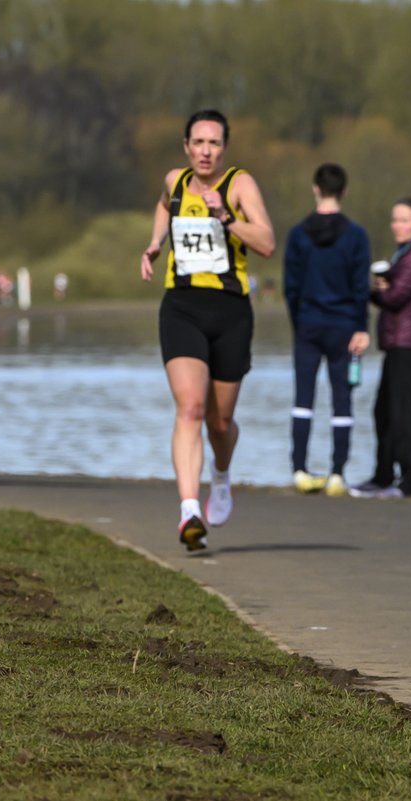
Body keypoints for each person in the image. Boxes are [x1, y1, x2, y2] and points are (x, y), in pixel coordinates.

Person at [140, 109, 275, 552]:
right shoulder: (174, 182)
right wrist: (156, 243)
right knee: (190, 409)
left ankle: (220, 476)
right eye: (198, 142)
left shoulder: (239, 185)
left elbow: (267, 244)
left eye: (214, 143)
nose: (205, 150)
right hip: (181, 306)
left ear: (224, 148)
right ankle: (188, 510)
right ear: (186, 146)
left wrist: (227, 218)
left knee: (220, 422)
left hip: (231, 310)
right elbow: (164, 207)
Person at [282, 163, 371, 497]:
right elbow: (360, 286)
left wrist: (299, 323)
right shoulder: (356, 236)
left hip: (307, 323)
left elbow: (291, 287)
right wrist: (362, 327)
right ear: (343, 191)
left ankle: (300, 470)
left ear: (315, 189)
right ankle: (337, 474)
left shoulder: (297, 234)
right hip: (344, 326)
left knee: (303, 399)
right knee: (342, 399)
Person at [350, 198, 411, 499]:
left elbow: (396, 297)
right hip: (397, 343)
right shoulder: (405, 254)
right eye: (394, 219)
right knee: (384, 411)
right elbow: (389, 294)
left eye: (404, 220)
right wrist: (380, 290)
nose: (397, 225)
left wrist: (375, 290)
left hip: (409, 343)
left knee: (403, 413)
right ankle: (384, 477)